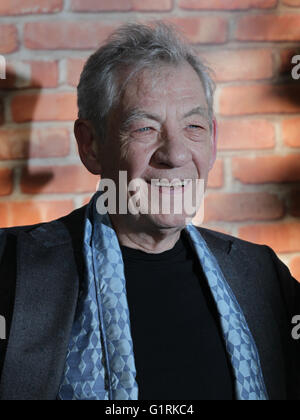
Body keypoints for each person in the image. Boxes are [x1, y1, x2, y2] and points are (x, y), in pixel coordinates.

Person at [0, 22, 299, 401]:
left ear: (213, 140)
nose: (175, 154)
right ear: (90, 146)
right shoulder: (12, 269)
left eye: (193, 126)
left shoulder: (261, 275)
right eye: (144, 128)